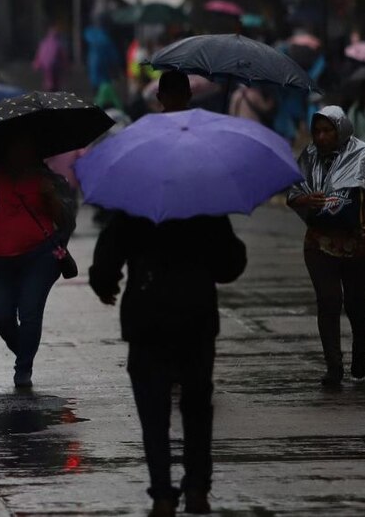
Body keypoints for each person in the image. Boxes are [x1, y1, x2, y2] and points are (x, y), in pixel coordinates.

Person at [89, 199, 247, 517]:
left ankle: (162, 494)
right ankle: (197, 489)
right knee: (197, 407)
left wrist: (105, 284)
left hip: (147, 319)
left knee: (154, 414)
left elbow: (106, 261)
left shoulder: (133, 206)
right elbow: (230, 265)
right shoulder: (206, 206)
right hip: (196, 318)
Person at [288, 106, 365, 386]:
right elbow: (293, 195)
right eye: (317, 131)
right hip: (320, 242)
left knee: (356, 303)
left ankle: (360, 352)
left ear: (340, 129)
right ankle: (333, 366)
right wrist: (308, 200)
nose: (321, 137)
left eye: (327, 130)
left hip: (360, 244)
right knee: (328, 301)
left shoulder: (363, 156)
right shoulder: (309, 157)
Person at [0, 131, 75, 388]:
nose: (19, 155)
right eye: (14, 149)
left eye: (25, 149)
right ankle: (24, 350)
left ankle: (23, 368)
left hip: (39, 257)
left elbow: (66, 219)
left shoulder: (49, 180)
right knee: (1, 316)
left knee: (30, 313)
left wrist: (51, 198)